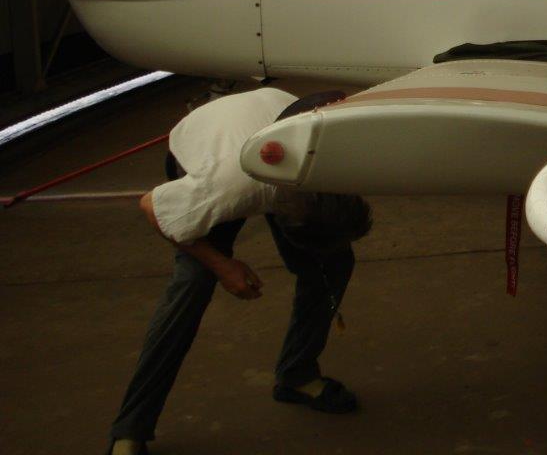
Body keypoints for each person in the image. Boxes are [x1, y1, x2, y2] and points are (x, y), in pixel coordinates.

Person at [106, 87, 373, 455]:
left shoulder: (340, 165)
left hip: (273, 117)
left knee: (334, 262)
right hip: (208, 148)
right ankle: (130, 430)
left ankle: (297, 376)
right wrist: (222, 265)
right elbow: (150, 206)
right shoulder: (226, 188)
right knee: (192, 283)